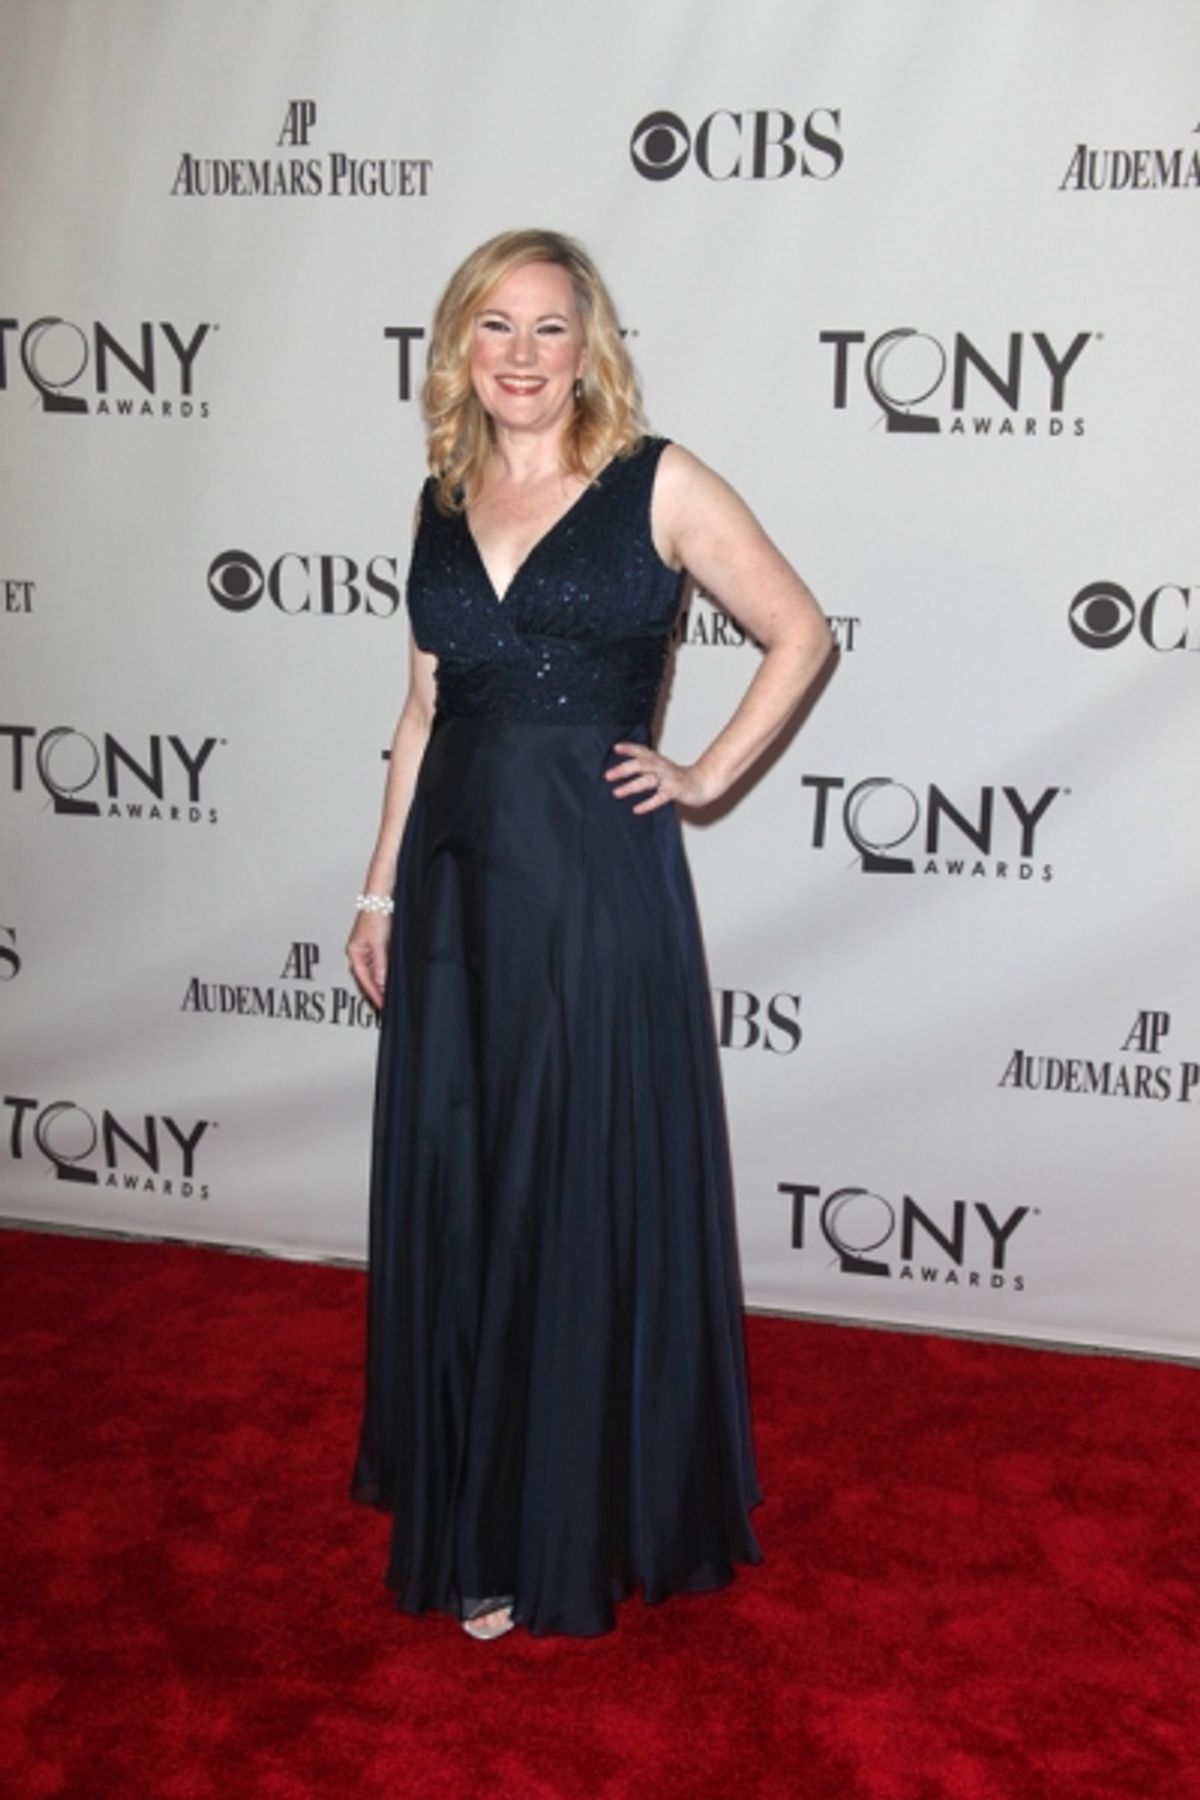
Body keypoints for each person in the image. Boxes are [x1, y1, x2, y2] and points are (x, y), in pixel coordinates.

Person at [347, 228, 833, 1641]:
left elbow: (798, 630)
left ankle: (555, 1514)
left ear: (590, 344)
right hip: (454, 887)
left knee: (569, 1180)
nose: (519, 353)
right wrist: (379, 892)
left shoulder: (656, 481)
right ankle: (479, 1496)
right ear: (460, 345)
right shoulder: (441, 493)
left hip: (590, 889)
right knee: (468, 1183)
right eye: (493, 326)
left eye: (549, 327)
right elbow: (426, 708)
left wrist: (704, 774)